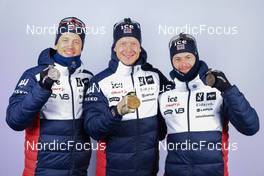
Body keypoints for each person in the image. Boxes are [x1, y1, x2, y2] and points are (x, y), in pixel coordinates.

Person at [158, 33, 260, 176]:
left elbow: (251, 127)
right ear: (172, 61)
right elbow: (155, 134)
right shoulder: (165, 96)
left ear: (196, 56)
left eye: (188, 57)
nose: (183, 64)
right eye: (177, 59)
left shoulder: (217, 90)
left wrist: (228, 90)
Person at [83, 18, 172, 176]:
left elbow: (179, 94)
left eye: (134, 43)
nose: (129, 49)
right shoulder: (99, 81)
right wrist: (115, 112)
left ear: (140, 47)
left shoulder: (155, 75)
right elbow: (93, 129)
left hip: (148, 168)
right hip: (113, 169)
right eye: (123, 43)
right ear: (114, 48)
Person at [6, 17, 93, 176]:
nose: (70, 46)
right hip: (42, 169)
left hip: (79, 169)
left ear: (82, 47)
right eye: (65, 39)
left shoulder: (88, 78)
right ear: (55, 43)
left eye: (76, 41)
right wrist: (43, 87)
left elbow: (94, 124)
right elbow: (14, 120)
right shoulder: (34, 74)